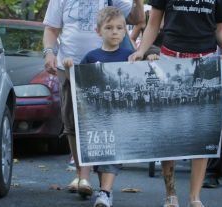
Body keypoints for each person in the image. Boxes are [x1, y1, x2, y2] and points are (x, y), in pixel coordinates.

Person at [128, 0, 222, 206]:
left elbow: (220, 27)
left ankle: (195, 197)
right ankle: (170, 193)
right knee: (169, 132)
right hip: (169, 60)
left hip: (205, 63)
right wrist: (141, 51)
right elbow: (153, 23)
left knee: (201, 133)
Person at [42, 0, 143, 198]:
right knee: (73, 124)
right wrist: (48, 53)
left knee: (104, 124)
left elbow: (137, 19)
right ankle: (82, 175)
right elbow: (51, 29)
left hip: (105, 70)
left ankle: (102, 183)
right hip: (69, 67)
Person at [62, 7, 133, 207]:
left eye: (120, 28)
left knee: (111, 154)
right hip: (95, 118)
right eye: (109, 28)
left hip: (119, 118)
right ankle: (93, 185)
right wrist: (69, 68)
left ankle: (105, 193)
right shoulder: (91, 57)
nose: (115, 32)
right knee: (97, 151)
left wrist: (150, 56)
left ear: (125, 30)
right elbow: (77, 83)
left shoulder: (130, 56)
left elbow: (142, 73)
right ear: (98, 31)